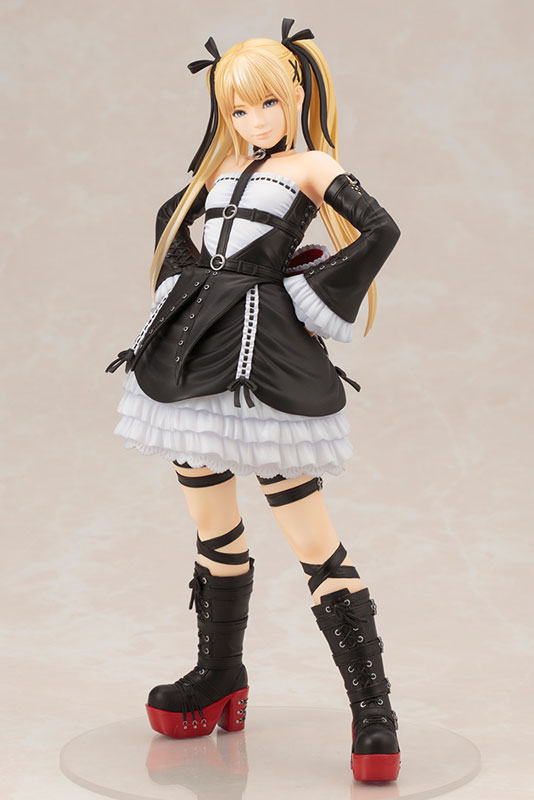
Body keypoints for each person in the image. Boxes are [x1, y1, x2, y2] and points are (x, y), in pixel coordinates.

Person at [105, 17, 402, 782]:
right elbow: (173, 223)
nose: (254, 120)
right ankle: (219, 674)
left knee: (311, 538)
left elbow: (380, 229)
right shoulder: (220, 171)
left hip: (264, 359)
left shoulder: (312, 166)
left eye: (267, 103)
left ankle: (373, 710)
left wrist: (306, 292)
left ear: (296, 93)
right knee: (213, 526)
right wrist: (183, 289)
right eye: (238, 109)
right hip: (196, 357)